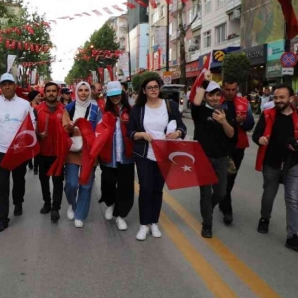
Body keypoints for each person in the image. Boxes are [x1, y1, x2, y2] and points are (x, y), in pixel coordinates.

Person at [253, 84, 298, 252]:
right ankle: (264, 218)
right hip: (271, 163)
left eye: (281, 98)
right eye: (276, 97)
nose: (278, 100)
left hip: (293, 164)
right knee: (268, 195)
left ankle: (292, 236)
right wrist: (260, 139)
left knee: (293, 199)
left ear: (291, 98)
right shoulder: (268, 115)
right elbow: (257, 135)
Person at [128, 76, 186, 241]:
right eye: (149, 87)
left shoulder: (170, 106)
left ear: (159, 89)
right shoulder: (138, 109)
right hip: (144, 154)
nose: (153, 89)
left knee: (157, 190)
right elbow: (130, 132)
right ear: (144, 91)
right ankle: (143, 224)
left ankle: (154, 222)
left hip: (165, 154)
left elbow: (182, 126)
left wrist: (178, 133)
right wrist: (140, 134)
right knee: (145, 189)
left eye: (156, 86)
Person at [0, 73, 34, 233]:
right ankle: (2, 218)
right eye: (4, 84)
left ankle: (18, 201)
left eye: (10, 84)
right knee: (2, 186)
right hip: (0, 151)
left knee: (19, 181)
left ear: (15, 85)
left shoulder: (25, 104)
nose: (7, 86)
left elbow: (32, 124)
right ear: (0, 86)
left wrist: (28, 144)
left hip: (19, 152)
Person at [191, 81, 237, 238]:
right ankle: (207, 224)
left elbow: (231, 134)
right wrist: (204, 81)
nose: (215, 98)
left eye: (218, 95)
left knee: (221, 192)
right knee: (205, 193)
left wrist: (224, 121)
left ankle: (207, 209)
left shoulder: (226, 111)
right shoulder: (200, 111)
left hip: (221, 158)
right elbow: (195, 102)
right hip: (202, 159)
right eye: (211, 95)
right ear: (205, 96)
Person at [62, 81, 102, 228]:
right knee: (71, 184)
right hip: (72, 150)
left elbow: (100, 129)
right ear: (76, 92)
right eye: (81, 90)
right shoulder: (69, 108)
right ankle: (72, 204)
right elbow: (64, 128)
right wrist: (69, 127)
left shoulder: (96, 110)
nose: (83, 93)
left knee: (86, 185)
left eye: (86, 90)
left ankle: (80, 214)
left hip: (89, 151)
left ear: (90, 92)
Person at [218, 79, 255, 224]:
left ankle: (223, 200)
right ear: (223, 88)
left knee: (231, 178)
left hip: (238, 146)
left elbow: (250, 124)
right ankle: (227, 210)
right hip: (220, 146)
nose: (230, 92)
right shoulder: (216, 101)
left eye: (233, 89)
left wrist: (242, 122)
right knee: (224, 178)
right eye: (228, 89)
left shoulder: (244, 103)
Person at [99, 81, 135, 231]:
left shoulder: (131, 110)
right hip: (109, 156)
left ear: (123, 94)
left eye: (117, 95)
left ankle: (120, 215)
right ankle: (110, 203)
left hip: (126, 156)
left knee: (125, 187)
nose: (115, 98)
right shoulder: (103, 111)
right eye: (112, 95)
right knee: (108, 184)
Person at [34, 82, 66, 223]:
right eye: (48, 91)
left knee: (58, 181)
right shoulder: (37, 110)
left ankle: (55, 208)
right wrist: (37, 134)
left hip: (58, 153)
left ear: (57, 92)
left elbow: (69, 130)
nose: (51, 93)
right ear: (44, 93)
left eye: (53, 91)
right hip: (42, 152)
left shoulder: (64, 109)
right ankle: (47, 202)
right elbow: (30, 129)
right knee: (44, 180)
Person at [27, 90, 41, 175]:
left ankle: (36, 167)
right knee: (29, 149)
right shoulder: (27, 107)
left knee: (37, 150)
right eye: (38, 96)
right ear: (33, 97)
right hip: (28, 130)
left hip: (38, 131)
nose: (40, 97)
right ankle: (29, 162)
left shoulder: (41, 107)